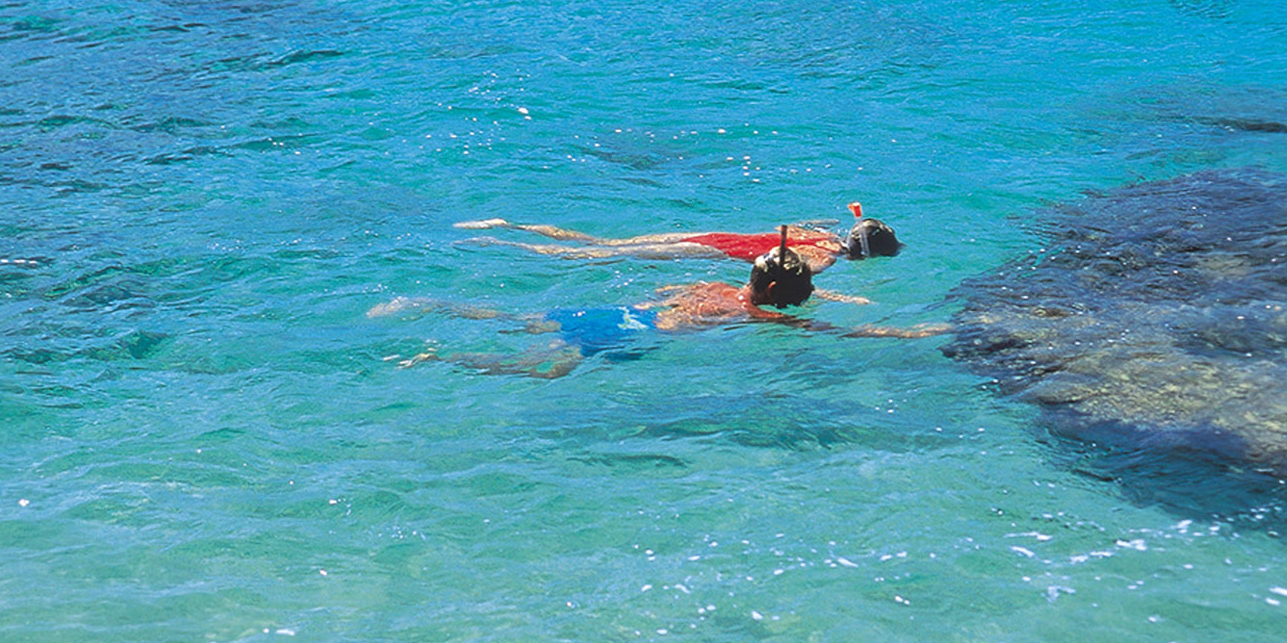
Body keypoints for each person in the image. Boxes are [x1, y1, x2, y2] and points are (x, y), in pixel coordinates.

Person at [370, 234, 944, 379]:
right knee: (540, 371)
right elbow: (842, 334)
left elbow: (657, 298)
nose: (811, 296)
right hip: (621, 338)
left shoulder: (712, 290)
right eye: (803, 292)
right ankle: (438, 358)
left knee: (513, 320)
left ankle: (426, 303)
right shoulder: (753, 314)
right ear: (775, 297)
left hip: (610, 312)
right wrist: (918, 334)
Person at [454, 203, 900, 272]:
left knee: (604, 243)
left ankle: (507, 225)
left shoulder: (815, 232)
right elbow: (785, 273)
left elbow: (791, 229)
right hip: (711, 251)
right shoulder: (825, 261)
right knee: (591, 258)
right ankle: (500, 244)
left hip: (712, 234)